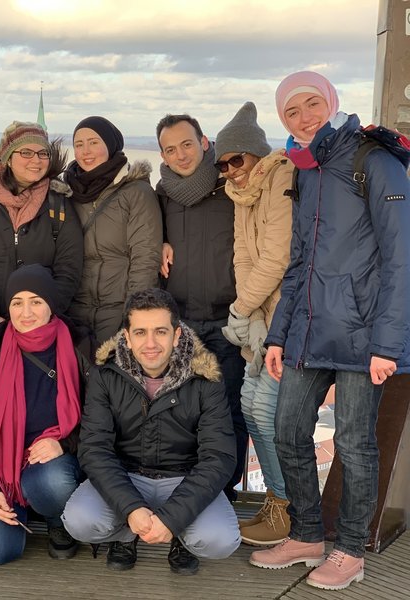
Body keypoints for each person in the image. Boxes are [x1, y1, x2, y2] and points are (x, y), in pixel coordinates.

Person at [250, 71, 410, 591]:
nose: (304, 118)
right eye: (291, 111)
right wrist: (279, 335)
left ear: (332, 102)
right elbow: (299, 262)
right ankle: (307, 535)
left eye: (312, 104)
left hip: (365, 336)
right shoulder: (308, 167)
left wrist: (387, 344)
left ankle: (350, 550)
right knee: (289, 430)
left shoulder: (373, 159)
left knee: (355, 443)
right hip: (309, 332)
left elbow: (402, 258)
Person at [62, 288, 240, 575]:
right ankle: (127, 535)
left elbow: (218, 457)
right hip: (127, 475)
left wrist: (173, 518)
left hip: (184, 477)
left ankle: (178, 536)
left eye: (160, 331)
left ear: (176, 334)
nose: (151, 343)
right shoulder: (105, 376)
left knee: (220, 540)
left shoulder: (206, 378)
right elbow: (94, 449)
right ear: (127, 337)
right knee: (79, 520)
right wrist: (131, 508)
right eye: (140, 332)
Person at [0, 264, 91, 565]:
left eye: (36, 302)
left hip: (53, 461)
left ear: (51, 305)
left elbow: (100, 416)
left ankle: (58, 519)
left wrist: (64, 444)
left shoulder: (79, 344)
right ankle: (19, 502)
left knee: (52, 482)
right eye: (17, 303)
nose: (26, 313)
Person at [214, 102, 294, 546]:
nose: (231, 170)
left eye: (237, 160)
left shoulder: (281, 178)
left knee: (266, 410)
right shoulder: (240, 195)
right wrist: (249, 313)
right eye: (223, 165)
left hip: (286, 318)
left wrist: (240, 310)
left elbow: (278, 258)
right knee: (249, 405)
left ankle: (288, 507)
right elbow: (243, 257)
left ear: (256, 153)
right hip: (260, 317)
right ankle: (276, 502)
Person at [155, 113, 247, 501]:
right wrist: (158, 242)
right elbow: (146, 238)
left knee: (229, 409)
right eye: (170, 149)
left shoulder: (231, 187)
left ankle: (224, 491)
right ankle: (185, 490)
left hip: (229, 320)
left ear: (204, 142)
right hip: (182, 324)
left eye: (186, 144)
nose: (180, 155)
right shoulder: (160, 195)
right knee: (181, 411)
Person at [0, 121, 83, 331]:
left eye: (43, 153)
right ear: (8, 158)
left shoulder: (59, 204)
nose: (36, 160)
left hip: (38, 328)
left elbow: (69, 269)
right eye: (26, 152)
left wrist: (42, 317)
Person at [63, 116, 162, 349]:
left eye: (94, 142)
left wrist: (134, 314)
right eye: (79, 144)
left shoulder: (135, 192)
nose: (86, 151)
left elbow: (145, 258)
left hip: (117, 311)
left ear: (110, 145)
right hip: (73, 314)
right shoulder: (66, 192)